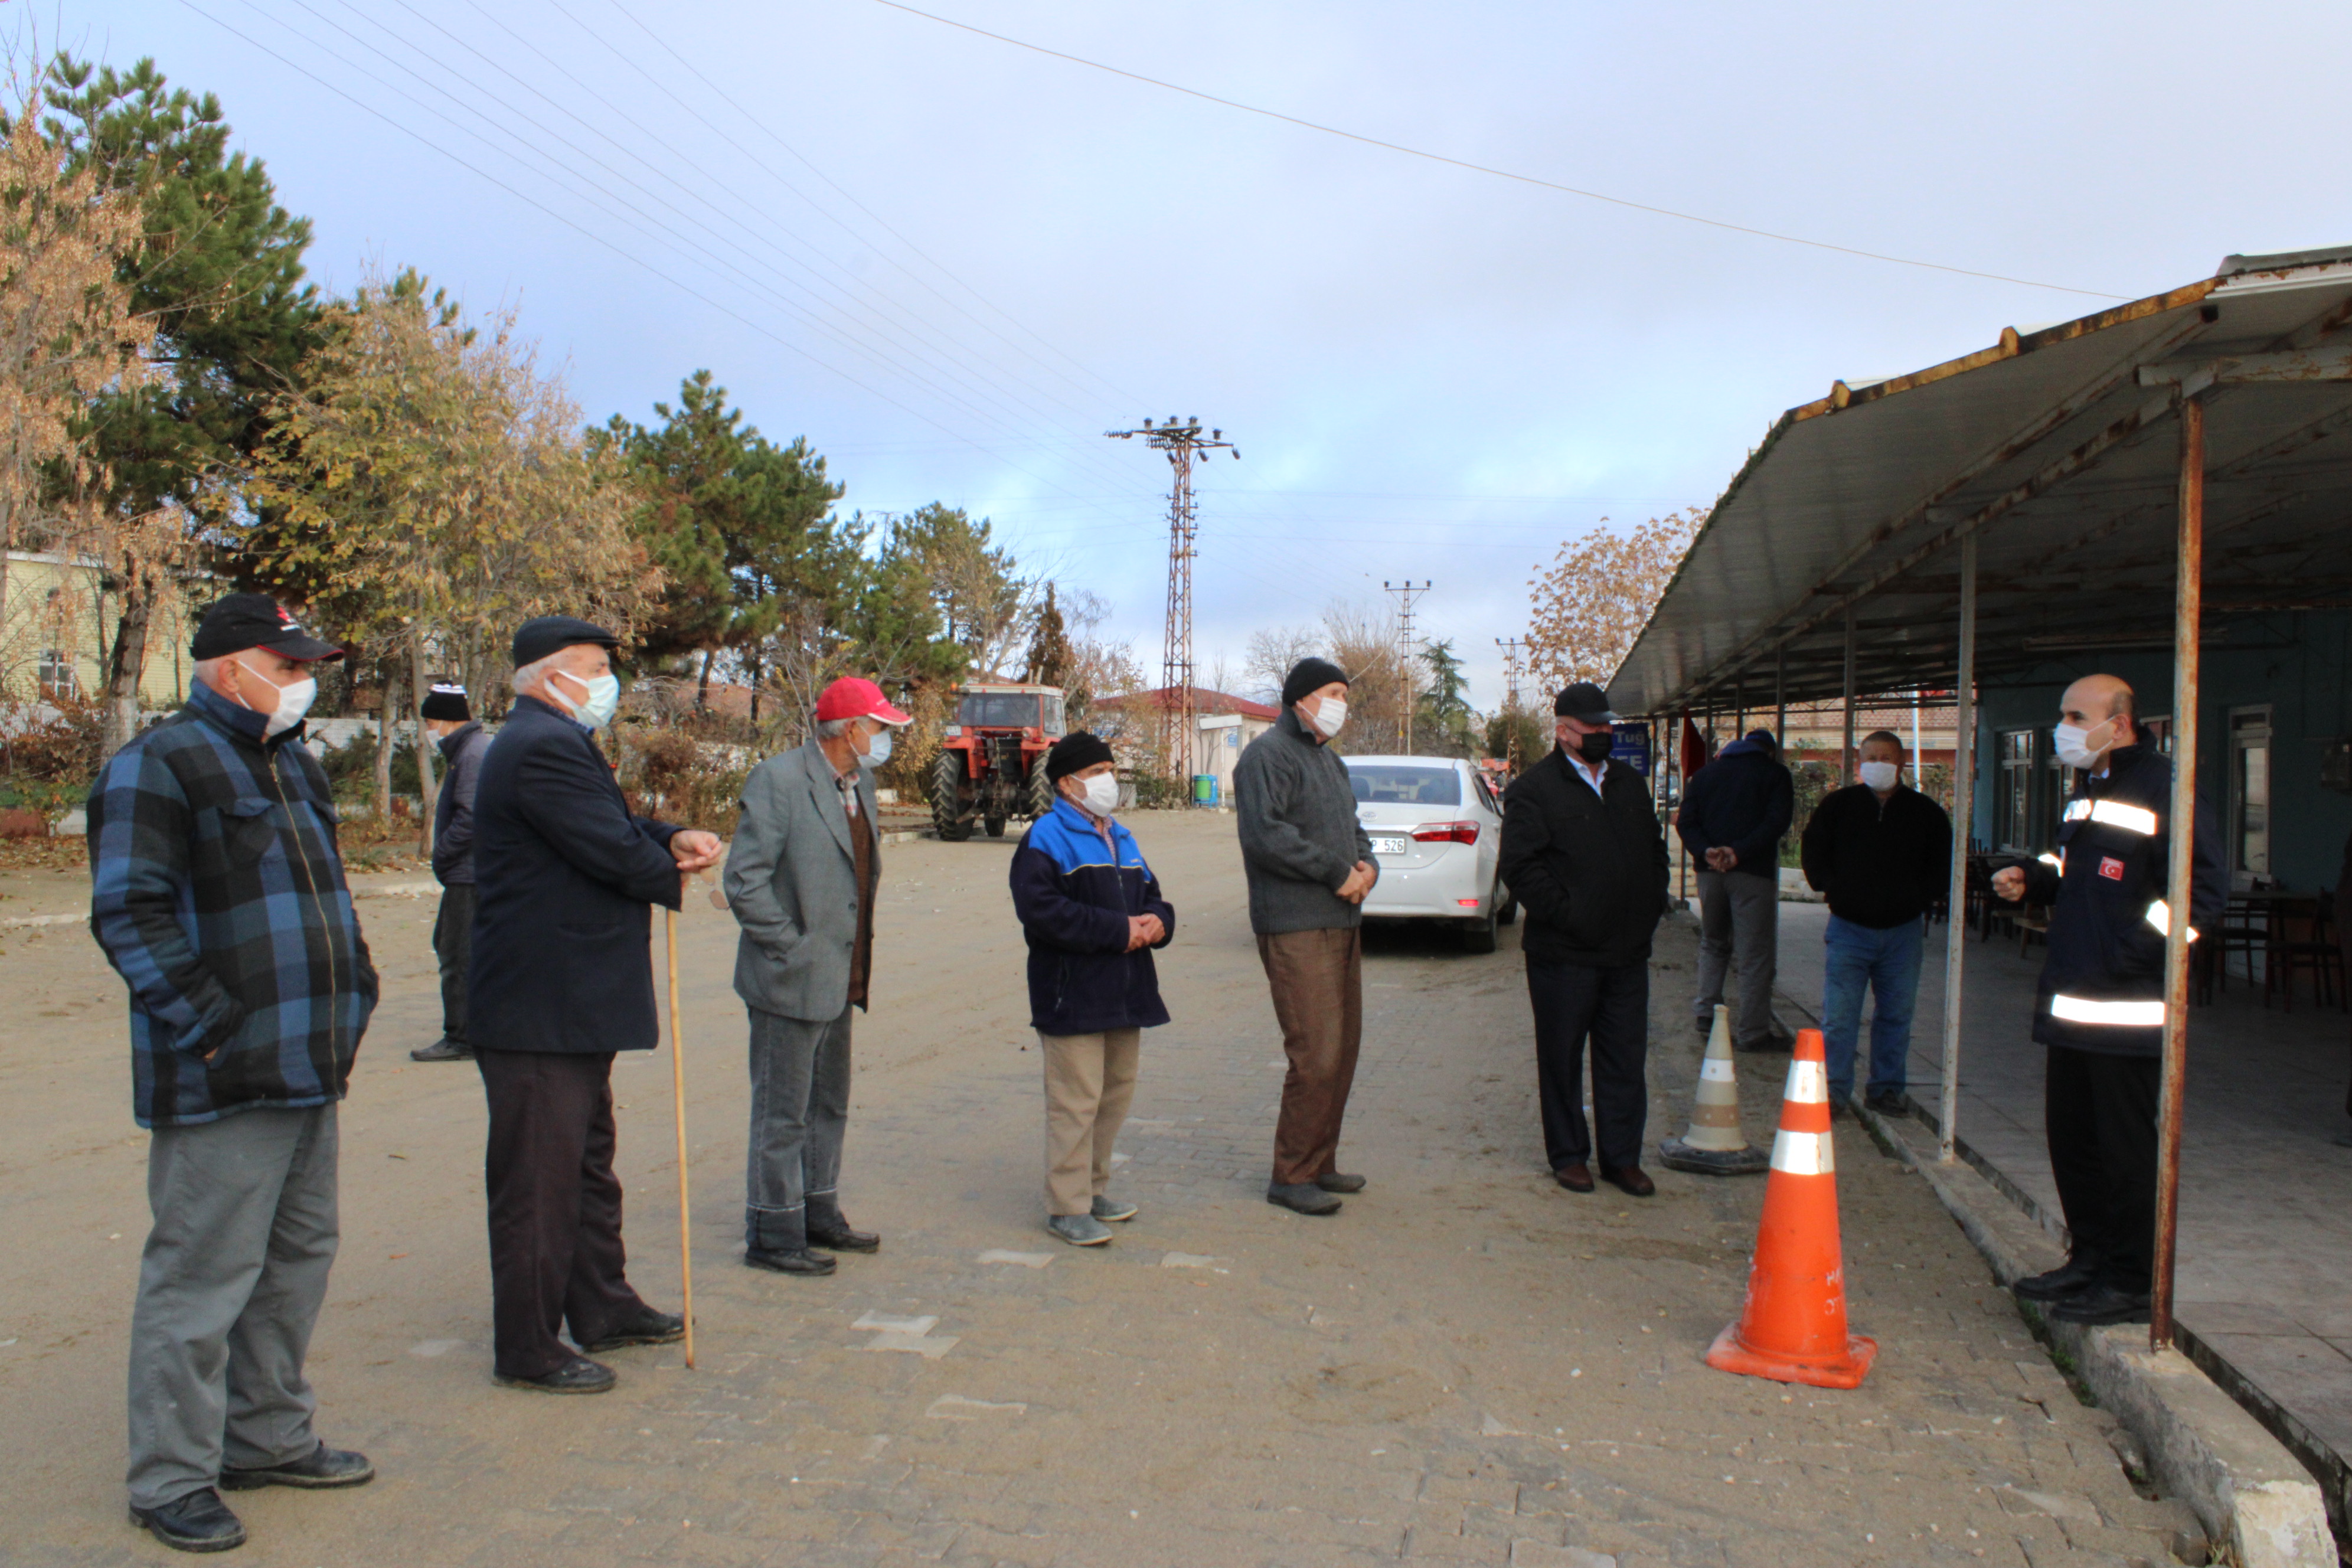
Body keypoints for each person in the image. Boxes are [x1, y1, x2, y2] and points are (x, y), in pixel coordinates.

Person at [88, 593, 379, 1554]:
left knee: (296, 1260)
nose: (302, 684)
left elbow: (319, 893)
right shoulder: (160, 764)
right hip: (222, 1074)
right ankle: (170, 1476)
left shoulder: (289, 761)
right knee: (201, 1275)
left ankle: (265, 1436)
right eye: (287, 666)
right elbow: (129, 911)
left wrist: (358, 985)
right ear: (227, 669)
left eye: (304, 668)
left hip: (309, 1065)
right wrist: (211, 1023)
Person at [467, 616, 723, 1391]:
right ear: (549, 677)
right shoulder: (538, 745)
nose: (609, 682)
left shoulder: (558, 740)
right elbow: (607, 848)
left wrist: (671, 835)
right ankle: (529, 1345)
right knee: (539, 1184)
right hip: (540, 1005)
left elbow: (617, 826)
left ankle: (601, 1303)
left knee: (585, 1164)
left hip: (568, 1006)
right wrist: (665, 869)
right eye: (594, 667)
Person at [1993, 674, 2223, 1327]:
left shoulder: (2165, 786)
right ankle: (2089, 1257)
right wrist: (2030, 877)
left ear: (2120, 724)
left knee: (2125, 1151)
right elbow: (2072, 867)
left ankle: (2131, 1279)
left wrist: (2132, 953)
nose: (2063, 726)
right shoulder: (2087, 790)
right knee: (2074, 1142)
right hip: (2071, 1001)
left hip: (2125, 1007)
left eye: (2075, 715)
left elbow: (2199, 897)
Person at [723, 676, 910, 1276]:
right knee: (783, 1109)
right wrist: (790, 947)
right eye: (879, 728)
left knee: (829, 1103)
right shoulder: (777, 781)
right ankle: (772, 1228)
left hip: (841, 976)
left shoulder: (860, 782)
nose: (885, 739)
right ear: (849, 729)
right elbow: (744, 881)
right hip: (791, 977)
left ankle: (817, 1209)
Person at [1498, 682, 1671, 1197]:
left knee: (1624, 1058)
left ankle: (1622, 1160)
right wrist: (1571, 915)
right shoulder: (1534, 789)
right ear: (1563, 731)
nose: (1603, 735)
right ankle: (1570, 1155)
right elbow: (1520, 867)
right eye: (1592, 728)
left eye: (1607, 727)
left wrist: (1650, 906)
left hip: (1627, 953)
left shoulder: (1628, 784)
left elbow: (1654, 854)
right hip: (1564, 954)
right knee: (1562, 1056)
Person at [1008, 731, 1176, 1246]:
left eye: (1110, 769)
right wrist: (1119, 930)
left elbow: (1154, 895)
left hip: (1125, 992)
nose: (1109, 780)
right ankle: (1066, 1205)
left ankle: (1093, 1189)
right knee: (1075, 1101)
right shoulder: (1045, 837)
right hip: (1072, 993)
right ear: (1068, 782)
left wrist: (1157, 922)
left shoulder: (1121, 836)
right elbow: (1042, 913)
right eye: (1098, 770)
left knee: (1113, 1096)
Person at [1235, 656, 1376, 1216]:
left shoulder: (1330, 763)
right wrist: (1335, 871)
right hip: (1295, 924)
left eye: (1345, 693)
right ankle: (1290, 1175)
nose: (1342, 703)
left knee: (1342, 1050)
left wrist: (1366, 867)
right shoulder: (1266, 756)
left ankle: (1321, 1161)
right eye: (1334, 692)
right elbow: (1265, 837)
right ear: (1302, 699)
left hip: (1341, 922)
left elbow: (1355, 829)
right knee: (1315, 1053)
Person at [1799, 730, 1952, 1115]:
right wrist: (1830, 887)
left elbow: (1942, 862)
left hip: (1903, 932)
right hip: (1849, 929)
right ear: (1859, 761)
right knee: (1839, 1017)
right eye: (1871, 756)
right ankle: (1834, 1092)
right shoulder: (1838, 806)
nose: (1878, 763)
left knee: (1897, 1016)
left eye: (1886, 757)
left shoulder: (1925, 812)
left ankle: (1886, 1088)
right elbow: (1814, 849)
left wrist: (1923, 897)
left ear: (1901, 763)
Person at [1678, 727, 1795, 1053]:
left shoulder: (1703, 776)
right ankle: (1753, 1032)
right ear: (1768, 752)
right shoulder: (1774, 775)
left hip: (1709, 874)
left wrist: (1707, 851)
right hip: (1752, 874)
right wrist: (1738, 851)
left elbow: (1686, 823)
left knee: (1713, 943)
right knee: (1754, 955)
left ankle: (1705, 1014)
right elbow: (1776, 822)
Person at [412, 678, 491, 1063]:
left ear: (444, 721)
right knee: (455, 947)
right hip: (468, 871)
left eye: (429, 723)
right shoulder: (469, 750)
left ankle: (462, 1038)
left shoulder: (473, 753)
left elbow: (472, 816)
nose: (428, 731)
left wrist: (442, 853)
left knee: (457, 955)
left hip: (469, 873)